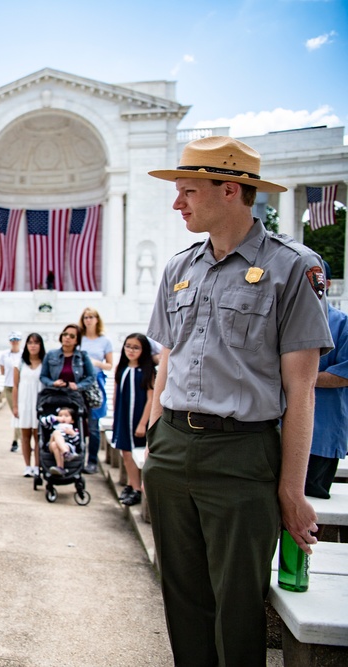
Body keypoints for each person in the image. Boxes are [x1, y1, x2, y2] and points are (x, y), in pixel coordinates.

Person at [145, 136, 331, 665]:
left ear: (229, 190)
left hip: (242, 454)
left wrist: (292, 490)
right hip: (174, 448)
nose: (177, 203)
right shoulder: (179, 267)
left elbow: (301, 388)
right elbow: (168, 362)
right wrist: (157, 439)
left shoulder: (294, 267)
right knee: (182, 599)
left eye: (186, 191)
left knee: (237, 606)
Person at [307, 259, 348, 499]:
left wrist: (296, 377)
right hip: (276, 433)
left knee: (308, 510)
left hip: (321, 435)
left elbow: (343, 376)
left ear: (328, 284)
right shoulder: (281, 321)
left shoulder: (342, 324)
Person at [111, 333, 155, 506]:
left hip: (137, 418)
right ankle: (131, 484)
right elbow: (116, 395)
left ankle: (137, 489)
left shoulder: (147, 371)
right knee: (125, 452)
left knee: (131, 452)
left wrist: (143, 423)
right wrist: (116, 417)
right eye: (128, 346)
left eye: (136, 347)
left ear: (143, 350)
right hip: (123, 416)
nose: (131, 350)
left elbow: (151, 399)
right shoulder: (121, 368)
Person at [79, 308, 113, 474]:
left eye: (91, 317)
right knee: (77, 422)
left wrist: (95, 363)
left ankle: (92, 461)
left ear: (97, 319)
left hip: (96, 382)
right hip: (79, 382)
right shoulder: (79, 338)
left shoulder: (104, 341)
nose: (88, 320)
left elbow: (110, 364)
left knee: (93, 425)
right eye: (86, 317)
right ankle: (77, 458)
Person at [12, 332, 46, 477]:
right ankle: (27, 465)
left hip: (39, 402)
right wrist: (15, 406)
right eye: (30, 343)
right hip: (24, 401)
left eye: (36, 343)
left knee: (38, 435)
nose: (33, 346)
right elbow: (15, 385)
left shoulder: (45, 363)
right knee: (25, 435)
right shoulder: (20, 362)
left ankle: (37, 466)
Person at [40, 324, 97, 396]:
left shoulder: (82, 356)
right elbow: (43, 376)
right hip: (54, 395)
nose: (67, 337)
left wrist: (78, 386)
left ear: (77, 341)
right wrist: (53, 383)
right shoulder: (50, 354)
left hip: (75, 396)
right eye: (65, 334)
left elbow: (92, 376)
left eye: (72, 336)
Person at [0, 331, 23, 452]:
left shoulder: (23, 355)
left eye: (17, 340)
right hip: (9, 386)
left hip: (20, 387)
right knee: (15, 412)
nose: (15, 342)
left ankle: (17, 439)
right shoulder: (4, 355)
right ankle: (17, 439)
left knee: (20, 413)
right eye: (13, 340)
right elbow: (2, 370)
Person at [39, 407, 80, 477]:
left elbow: (76, 442)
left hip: (66, 444)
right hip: (52, 443)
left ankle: (60, 467)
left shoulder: (73, 429)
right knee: (56, 432)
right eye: (60, 415)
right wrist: (55, 418)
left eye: (66, 416)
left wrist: (72, 434)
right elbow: (42, 421)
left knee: (55, 444)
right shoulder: (54, 425)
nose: (63, 418)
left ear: (72, 420)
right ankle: (66, 453)